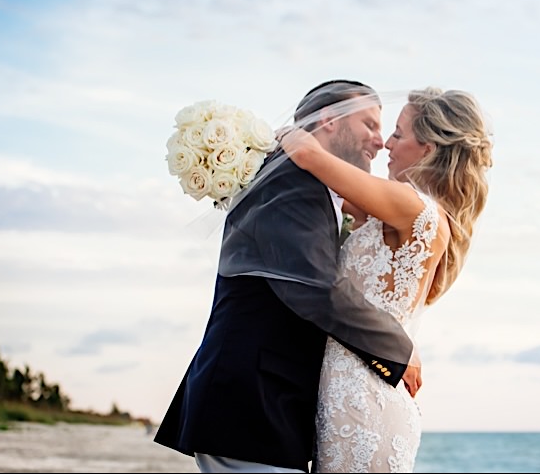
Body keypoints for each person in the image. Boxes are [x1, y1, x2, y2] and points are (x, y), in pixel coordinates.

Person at [156, 80, 415, 474]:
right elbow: (315, 289)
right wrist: (399, 351)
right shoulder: (292, 182)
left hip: (267, 404)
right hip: (250, 401)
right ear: (329, 120)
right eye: (369, 124)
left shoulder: (302, 180)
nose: (380, 141)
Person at [279, 87, 493, 472]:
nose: (386, 144)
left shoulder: (412, 206)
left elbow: (308, 155)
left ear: (427, 148)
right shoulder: (390, 210)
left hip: (365, 403)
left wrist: (261, 137)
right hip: (348, 394)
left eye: (398, 133)